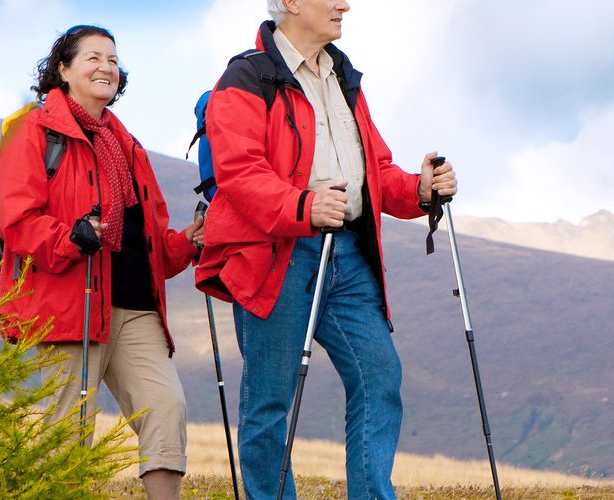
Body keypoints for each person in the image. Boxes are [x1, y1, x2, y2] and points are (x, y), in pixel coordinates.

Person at [194, 1, 458, 498]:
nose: (344, 4)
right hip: (277, 255)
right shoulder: (246, 78)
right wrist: (302, 207)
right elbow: (239, 173)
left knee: (380, 376)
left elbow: (373, 171)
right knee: (270, 401)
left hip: (349, 257)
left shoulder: (343, 76)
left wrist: (419, 190)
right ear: (291, 2)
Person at [0, 25, 201, 500]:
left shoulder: (127, 145)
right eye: (92, 57)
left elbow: (148, 243)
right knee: (67, 435)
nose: (106, 66)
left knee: (165, 409)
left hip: (135, 307)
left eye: (112, 59)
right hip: (70, 305)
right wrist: (72, 236)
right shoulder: (34, 131)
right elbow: (16, 220)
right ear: (63, 71)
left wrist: (190, 241)